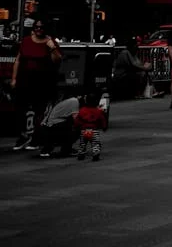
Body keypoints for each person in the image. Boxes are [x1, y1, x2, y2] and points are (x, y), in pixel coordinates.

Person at [11, 20, 63, 150]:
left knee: (40, 110)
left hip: (43, 81)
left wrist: (52, 47)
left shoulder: (50, 42)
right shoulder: (26, 41)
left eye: (42, 27)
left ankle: (36, 138)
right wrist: (14, 79)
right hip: (25, 79)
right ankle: (23, 136)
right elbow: (18, 60)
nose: (39, 29)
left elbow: (57, 60)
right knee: (20, 109)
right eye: (37, 27)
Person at [74, 93, 107, 161]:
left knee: (82, 144)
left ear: (86, 101)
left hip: (84, 130)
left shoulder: (82, 110)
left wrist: (76, 126)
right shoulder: (98, 111)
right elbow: (102, 120)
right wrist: (104, 127)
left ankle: (81, 154)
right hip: (94, 130)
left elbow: (77, 120)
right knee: (95, 143)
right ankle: (95, 154)